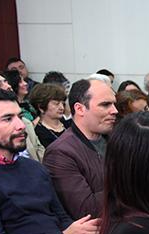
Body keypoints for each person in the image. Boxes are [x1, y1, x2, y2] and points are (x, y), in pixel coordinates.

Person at [0, 88, 100, 234]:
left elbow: (60, 217)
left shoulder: (33, 168)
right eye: (7, 119)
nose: (21, 125)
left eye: (20, 116)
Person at [43, 79, 118, 220]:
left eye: (114, 104)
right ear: (80, 109)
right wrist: (131, 181)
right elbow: (87, 210)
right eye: (105, 104)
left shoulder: (116, 139)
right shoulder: (60, 153)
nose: (114, 110)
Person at [30, 83, 71, 148]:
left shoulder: (70, 125)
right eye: (56, 104)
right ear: (41, 107)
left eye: (63, 103)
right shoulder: (38, 133)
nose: (61, 107)